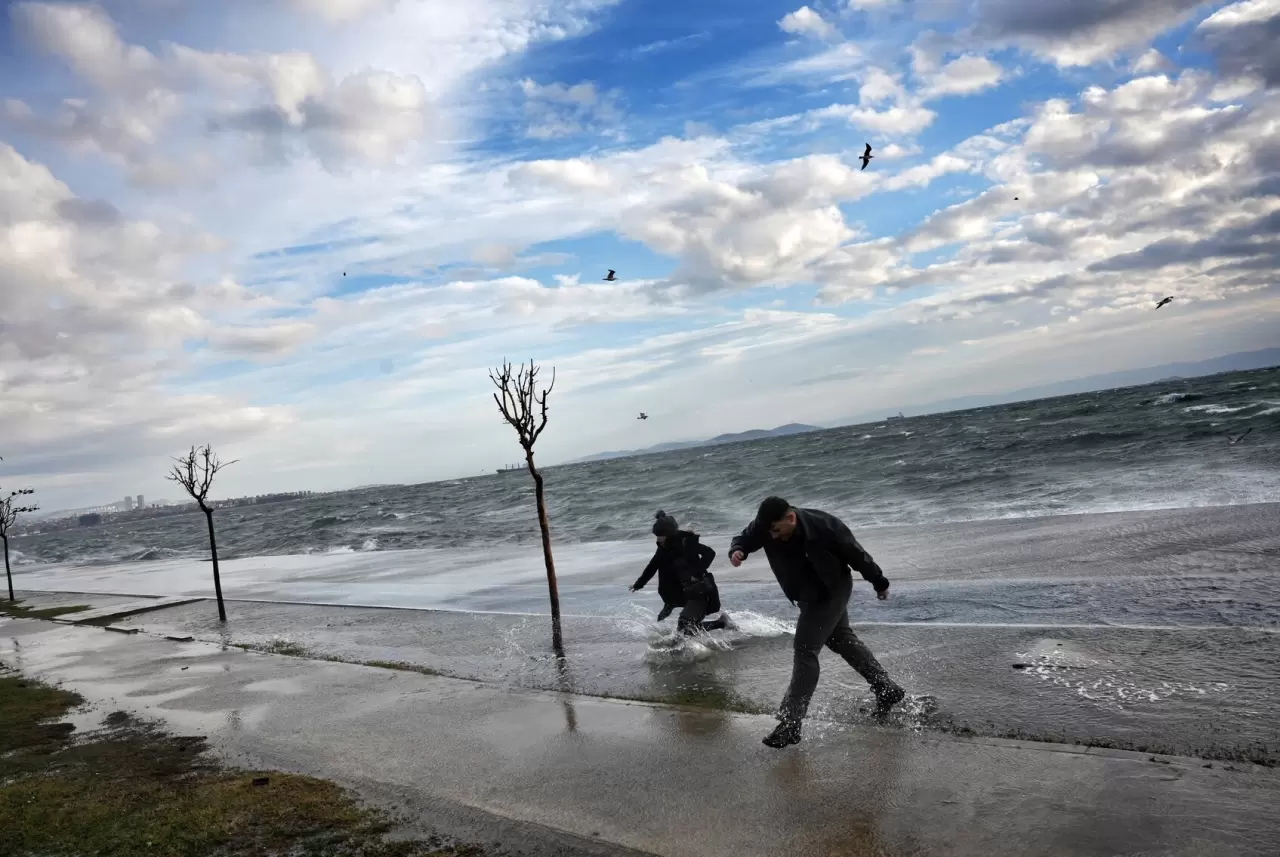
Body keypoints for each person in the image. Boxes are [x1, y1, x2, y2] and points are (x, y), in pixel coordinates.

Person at [729, 496, 905, 748]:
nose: (773, 536)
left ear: (791, 517)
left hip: (830, 590)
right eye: (768, 531)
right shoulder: (765, 526)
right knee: (841, 640)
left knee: (805, 649)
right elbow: (745, 537)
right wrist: (738, 550)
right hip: (805, 594)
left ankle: (790, 724)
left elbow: (857, 555)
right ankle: (887, 689)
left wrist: (879, 582)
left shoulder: (826, 527)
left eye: (776, 530)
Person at [630, 511, 730, 635]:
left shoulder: (686, 543)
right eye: (657, 535)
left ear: (670, 534)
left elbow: (710, 553)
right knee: (685, 630)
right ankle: (721, 623)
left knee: (685, 628)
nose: (658, 539)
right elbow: (652, 567)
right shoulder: (663, 550)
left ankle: (721, 623)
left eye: (661, 535)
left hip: (701, 591)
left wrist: (697, 574)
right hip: (687, 593)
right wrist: (638, 584)